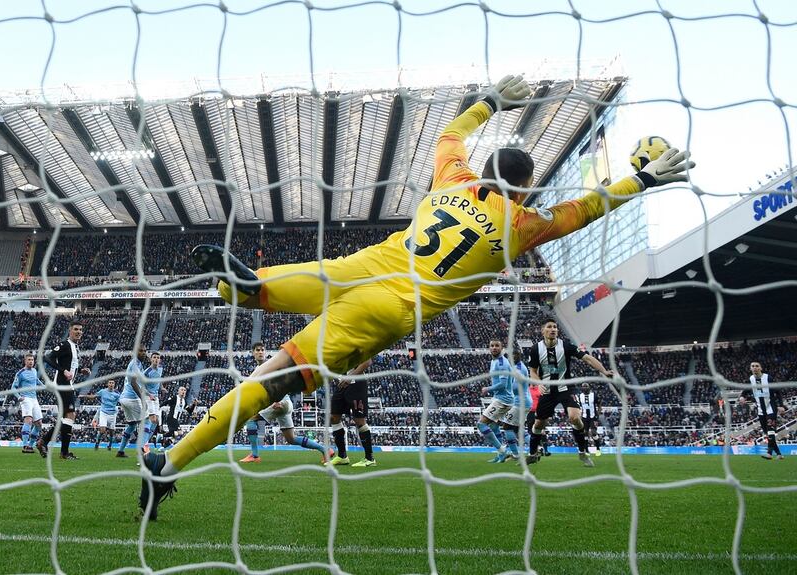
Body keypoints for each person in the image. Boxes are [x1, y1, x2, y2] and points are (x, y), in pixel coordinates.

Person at [138, 73, 694, 520]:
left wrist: (489, 103)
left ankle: (243, 287)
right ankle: (171, 461)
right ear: (523, 189)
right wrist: (639, 180)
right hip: (392, 306)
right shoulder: (523, 224)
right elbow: (586, 209)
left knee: (265, 291)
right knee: (275, 377)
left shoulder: (452, 180)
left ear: (484, 171)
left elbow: (448, 138)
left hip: (365, 264)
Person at [526, 320, 612, 467]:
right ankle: (533, 453)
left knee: (574, 417)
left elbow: (587, 358)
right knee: (539, 423)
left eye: (555, 327)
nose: (553, 329)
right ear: (543, 331)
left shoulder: (566, 346)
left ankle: (582, 452)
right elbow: (533, 372)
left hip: (566, 388)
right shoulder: (535, 349)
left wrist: (604, 371)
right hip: (547, 390)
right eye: (549, 327)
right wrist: (538, 383)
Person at [38, 321, 90, 460]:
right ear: (70, 331)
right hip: (62, 385)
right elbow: (47, 358)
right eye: (76, 329)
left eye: (80, 329)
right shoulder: (65, 344)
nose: (79, 332)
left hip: (68, 384)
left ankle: (43, 442)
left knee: (65, 419)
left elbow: (70, 366)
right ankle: (64, 452)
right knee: (71, 415)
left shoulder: (75, 347)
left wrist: (81, 371)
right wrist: (63, 370)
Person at [328, 358, 374, 467]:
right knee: (334, 417)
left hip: (356, 383)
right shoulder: (337, 345)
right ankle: (342, 456)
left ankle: (370, 458)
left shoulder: (356, 342)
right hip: (341, 383)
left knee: (359, 420)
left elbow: (367, 361)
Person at [740, 361, 784, 460]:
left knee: (771, 430)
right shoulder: (750, 379)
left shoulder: (768, 378)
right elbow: (744, 391)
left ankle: (769, 453)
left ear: (761, 368)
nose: (755, 368)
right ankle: (779, 454)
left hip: (771, 409)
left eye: (757, 366)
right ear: (750, 368)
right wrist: (742, 397)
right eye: (752, 366)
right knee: (768, 433)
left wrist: (781, 405)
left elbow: (778, 391)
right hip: (760, 411)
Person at [480, 339, 514, 463]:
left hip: (503, 400)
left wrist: (487, 388)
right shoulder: (494, 361)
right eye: (492, 346)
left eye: (497, 346)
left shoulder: (501, 363)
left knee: (481, 424)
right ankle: (500, 456)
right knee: (494, 426)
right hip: (500, 398)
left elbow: (503, 384)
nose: (494, 348)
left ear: (502, 348)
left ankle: (503, 452)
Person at [497, 349, 532, 461]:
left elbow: (516, 388)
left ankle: (516, 454)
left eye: (515, 355)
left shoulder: (519, 369)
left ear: (519, 356)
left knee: (507, 426)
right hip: (522, 402)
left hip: (519, 402)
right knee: (518, 429)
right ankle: (536, 448)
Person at [11, 353, 43, 453]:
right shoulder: (20, 373)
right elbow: (13, 388)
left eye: (32, 360)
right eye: (29, 360)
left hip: (34, 399)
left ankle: (30, 445)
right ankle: (24, 445)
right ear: (25, 361)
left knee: (39, 424)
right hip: (26, 399)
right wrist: (19, 397)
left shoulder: (34, 371)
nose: (31, 362)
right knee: (28, 420)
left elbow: (36, 380)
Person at [576, 382, 602, 456]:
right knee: (585, 433)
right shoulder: (580, 396)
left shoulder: (593, 395)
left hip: (592, 417)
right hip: (584, 417)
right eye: (583, 387)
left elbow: (599, 405)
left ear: (589, 387)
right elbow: (579, 406)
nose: (584, 388)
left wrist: (598, 415)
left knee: (594, 432)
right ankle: (586, 450)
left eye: (586, 386)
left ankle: (598, 449)